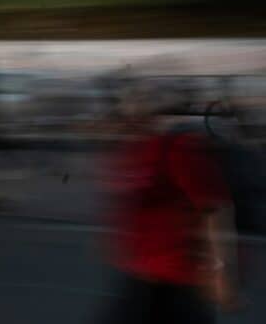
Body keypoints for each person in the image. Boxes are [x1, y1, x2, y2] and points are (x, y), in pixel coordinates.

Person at [100, 80, 238, 324]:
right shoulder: (131, 152)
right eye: (124, 109)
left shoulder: (178, 149)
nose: (126, 116)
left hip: (181, 282)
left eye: (136, 108)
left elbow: (215, 209)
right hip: (141, 278)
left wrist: (220, 270)